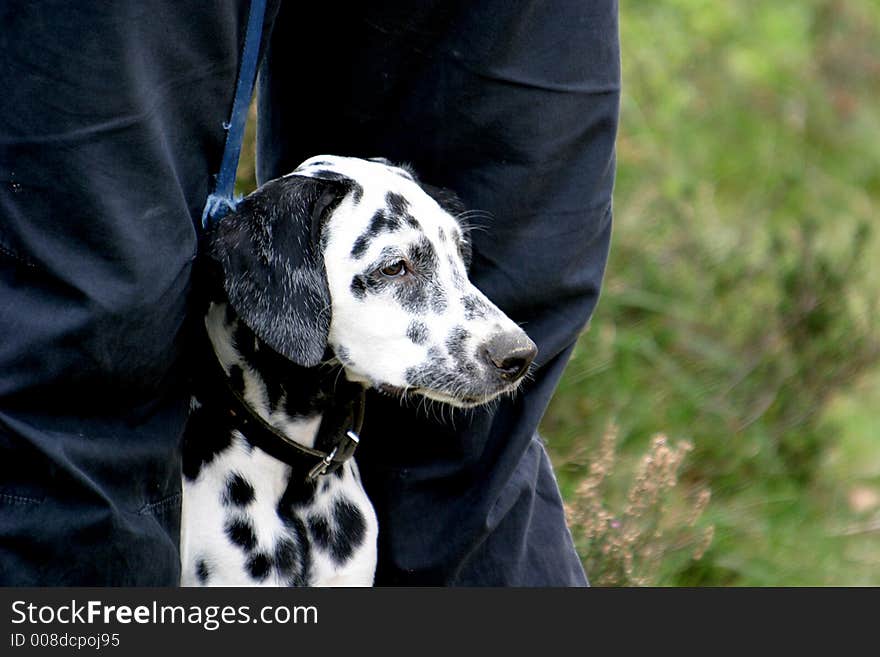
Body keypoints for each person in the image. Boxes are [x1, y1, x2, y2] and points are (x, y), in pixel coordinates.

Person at [0, 1, 619, 586]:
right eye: (399, 268)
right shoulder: (285, 249)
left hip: (332, 499)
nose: (505, 336)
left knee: (514, 309)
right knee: (97, 307)